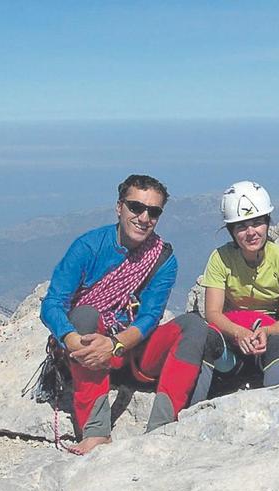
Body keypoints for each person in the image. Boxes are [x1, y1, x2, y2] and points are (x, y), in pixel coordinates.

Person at [40, 174, 212, 455]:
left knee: (193, 325)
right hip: (88, 347)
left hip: (130, 349)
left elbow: (150, 317)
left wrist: (115, 344)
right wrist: (71, 340)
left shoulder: (162, 259)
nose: (144, 217)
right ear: (119, 207)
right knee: (83, 315)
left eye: (153, 211)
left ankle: (161, 429)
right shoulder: (89, 247)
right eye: (136, 207)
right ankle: (96, 432)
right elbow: (52, 304)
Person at [196, 180, 279, 393]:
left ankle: (278, 407)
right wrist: (238, 333)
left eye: (257, 223)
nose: (251, 232)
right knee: (206, 342)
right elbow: (212, 312)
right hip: (232, 340)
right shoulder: (220, 259)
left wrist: (266, 331)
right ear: (232, 231)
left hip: (272, 339)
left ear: (267, 222)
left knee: (277, 344)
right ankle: (189, 415)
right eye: (241, 226)